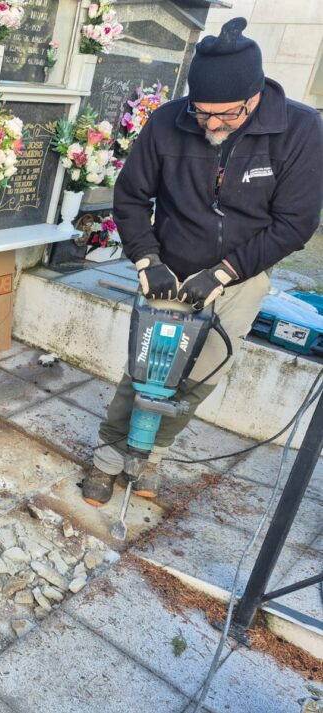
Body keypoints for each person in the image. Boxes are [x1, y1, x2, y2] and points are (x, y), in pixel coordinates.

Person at [82, 17, 323, 507]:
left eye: (226, 116)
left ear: (254, 97)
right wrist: (147, 259)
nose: (211, 125)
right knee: (146, 370)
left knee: (196, 378)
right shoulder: (169, 122)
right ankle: (108, 460)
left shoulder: (299, 129)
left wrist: (224, 273)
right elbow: (130, 197)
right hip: (167, 273)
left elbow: (296, 223)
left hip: (239, 279)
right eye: (202, 113)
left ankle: (152, 456)